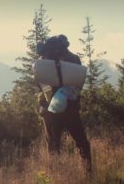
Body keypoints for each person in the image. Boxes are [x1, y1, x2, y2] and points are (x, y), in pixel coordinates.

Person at [36, 35, 92, 172]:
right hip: (70, 108)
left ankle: (55, 176)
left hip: (49, 109)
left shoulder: (43, 61)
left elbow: (39, 84)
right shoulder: (73, 59)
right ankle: (88, 173)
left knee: (53, 145)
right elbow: (79, 84)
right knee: (81, 142)